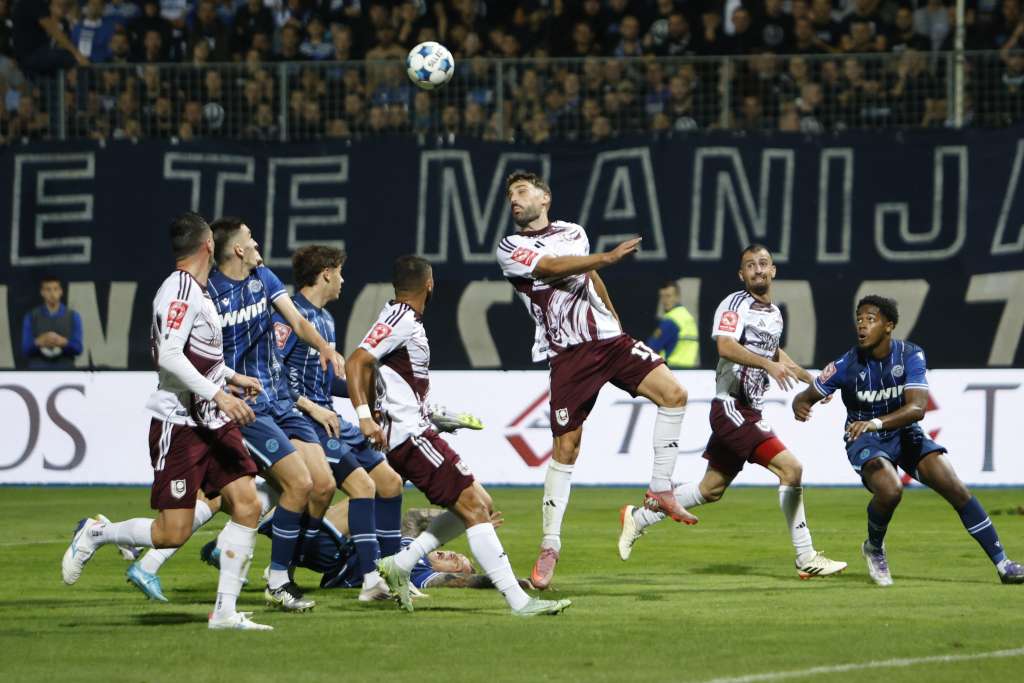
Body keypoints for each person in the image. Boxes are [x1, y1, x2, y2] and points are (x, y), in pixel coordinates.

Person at [61, 212, 271, 631]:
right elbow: (170, 357)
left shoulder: (199, 292)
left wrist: (231, 377)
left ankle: (225, 613)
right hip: (180, 424)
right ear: (209, 245)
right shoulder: (180, 290)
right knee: (172, 533)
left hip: (211, 421)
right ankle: (97, 533)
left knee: (247, 505)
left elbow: (200, 355)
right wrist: (219, 395)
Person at [496, 170, 695, 590]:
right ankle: (550, 545)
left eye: (522, 191)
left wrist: (615, 319)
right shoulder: (510, 247)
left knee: (675, 394)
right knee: (567, 448)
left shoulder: (573, 232)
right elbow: (551, 268)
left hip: (610, 342)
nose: (514, 199)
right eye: (510, 194)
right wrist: (605, 257)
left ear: (545, 198)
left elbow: (589, 278)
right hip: (569, 354)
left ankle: (659, 489)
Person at [347, 255, 571, 616]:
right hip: (410, 437)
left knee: (480, 501)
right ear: (429, 284)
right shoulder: (400, 318)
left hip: (415, 430)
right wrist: (365, 417)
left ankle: (401, 564)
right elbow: (357, 361)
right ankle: (519, 601)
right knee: (474, 508)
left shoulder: (401, 318)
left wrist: (403, 413)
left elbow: (379, 372)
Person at [618, 244, 847, 579]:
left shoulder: (774, 314)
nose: (758, 269)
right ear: (742, 275)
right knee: (792, 470)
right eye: (750, 265)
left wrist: (809, 380)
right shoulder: (734, 304)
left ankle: (638, 518)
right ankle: (806, 556)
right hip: (732, 407)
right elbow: (725, 345)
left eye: (763, 263)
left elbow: (774, 352)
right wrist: (768, 365)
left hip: (748, 409)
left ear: (773, 271)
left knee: (710, 489)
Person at [791, 295, 1024, 586]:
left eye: (870, 319)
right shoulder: (845, 365)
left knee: (956, 488)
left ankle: (1003, 564)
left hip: (905, 434)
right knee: (890, 490)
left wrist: (876, 422)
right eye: (859, 319)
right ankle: (874, 547)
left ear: (889, 326)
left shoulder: (910, 355)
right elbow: (804, 397)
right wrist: (801, 406)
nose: (862, 325)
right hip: (865, 440)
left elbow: (917, 408)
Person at [206, 217, 343, 612]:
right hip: (246, 409)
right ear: (237, 249)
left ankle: (283, 565)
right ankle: (279, 579)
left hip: (280, 402)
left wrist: (324, 347)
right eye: (250, 238)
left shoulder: (263, 278)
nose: (256, 243)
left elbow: (297, 321)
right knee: (297, 484)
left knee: (321, 484)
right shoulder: (208, 294)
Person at [271, 244, 404, 602]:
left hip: (331, 419)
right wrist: (312, 408)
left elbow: (324, 381)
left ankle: (394, 575)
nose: (344, 280)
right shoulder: (289, 316)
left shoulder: (326, 321)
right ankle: (369, 578)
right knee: (362, 486)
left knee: (390, 483)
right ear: (326, 273)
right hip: (305, 423)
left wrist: (368, 391)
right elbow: (273, 377)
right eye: (340, 272)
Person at [21, 276, 83, 368]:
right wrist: (39, 341)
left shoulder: (73, 316)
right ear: (42, 292)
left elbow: (78, 348)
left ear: (61, 291)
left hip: (65, 369)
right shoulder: (31, 316)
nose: (52, 293)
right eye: (48, 290)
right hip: (38, 370)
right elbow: (25, 349)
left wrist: (62, 342)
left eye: (55, 289)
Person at [646, 280, 699, 368]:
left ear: (677, 297)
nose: (665, 300)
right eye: (662, 296)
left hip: (671, 369)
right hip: (690, 370)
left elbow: (651, 349)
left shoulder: (671, 321)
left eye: (668, 296)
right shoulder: (688, 318)